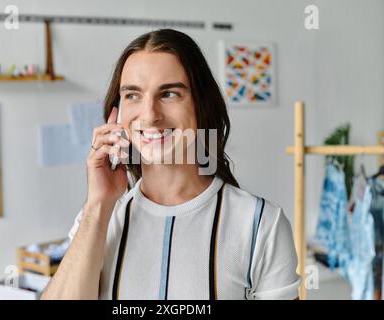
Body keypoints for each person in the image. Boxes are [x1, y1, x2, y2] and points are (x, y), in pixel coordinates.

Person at [41, 29, 300, 300]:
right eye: (132, 95)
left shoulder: (261, 224)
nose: (150, 115)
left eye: (169, 94)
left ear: (202, 105)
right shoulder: (98, 219)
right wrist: (97, 205)